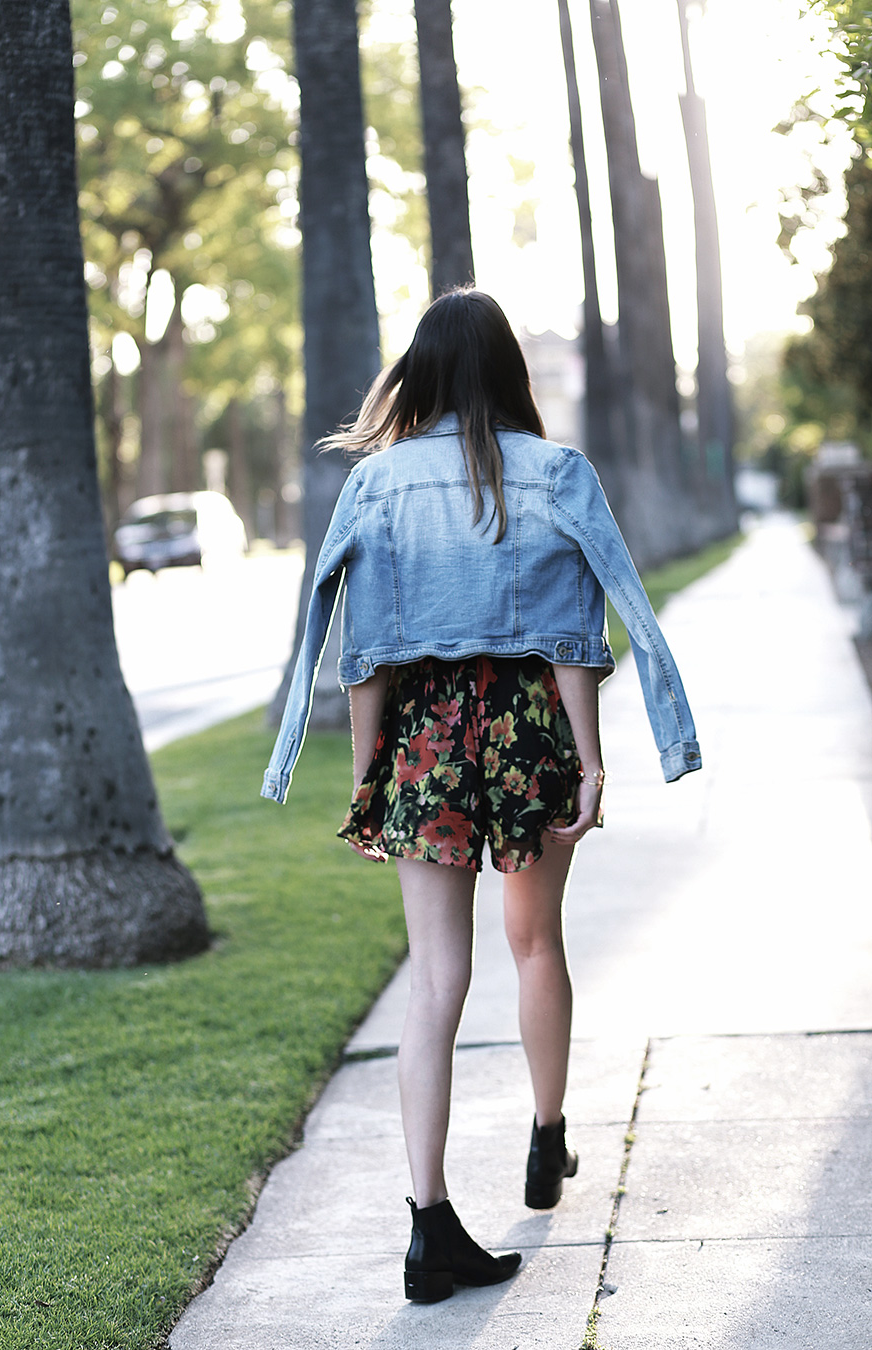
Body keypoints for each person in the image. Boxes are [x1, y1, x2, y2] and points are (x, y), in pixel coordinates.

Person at [262, 289, 701, 1304]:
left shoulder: (378, 487)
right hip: (529, 731)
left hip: (423, 741)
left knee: (433, 980)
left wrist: (372, 776)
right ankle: (548, 1137)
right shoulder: (557, 473)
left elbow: (365, 657)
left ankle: (428, 1226)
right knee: (536, 942)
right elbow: (577, 640)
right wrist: (590, 762)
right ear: (509, 370)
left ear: (421, 372)